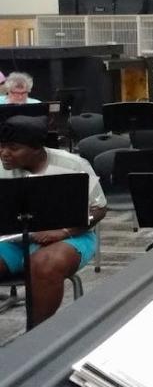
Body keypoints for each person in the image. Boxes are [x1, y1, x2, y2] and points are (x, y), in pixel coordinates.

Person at [0, 115, 107, 325]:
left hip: (70, 236)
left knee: (45, 264)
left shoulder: (73, 164)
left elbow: (99, 209)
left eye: (13, 148)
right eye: (1, 146)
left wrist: (64, 231)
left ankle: (37, 336)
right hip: (13, 240)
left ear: (36, 148)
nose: (4, 153)